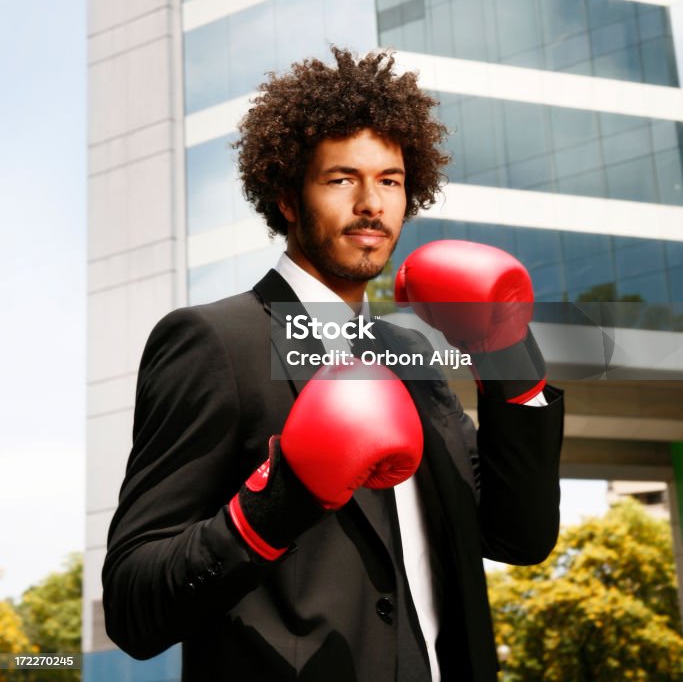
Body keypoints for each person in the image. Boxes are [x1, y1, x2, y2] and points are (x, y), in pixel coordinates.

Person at [103, 48, 564, 682]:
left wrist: (509, 353)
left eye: (391, 180)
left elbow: (520, 536)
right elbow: (134, 604)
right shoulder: (216, 341)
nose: (371, 203)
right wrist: (279, 498)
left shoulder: (413, 356)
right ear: (289, 197)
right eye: (342, 179)